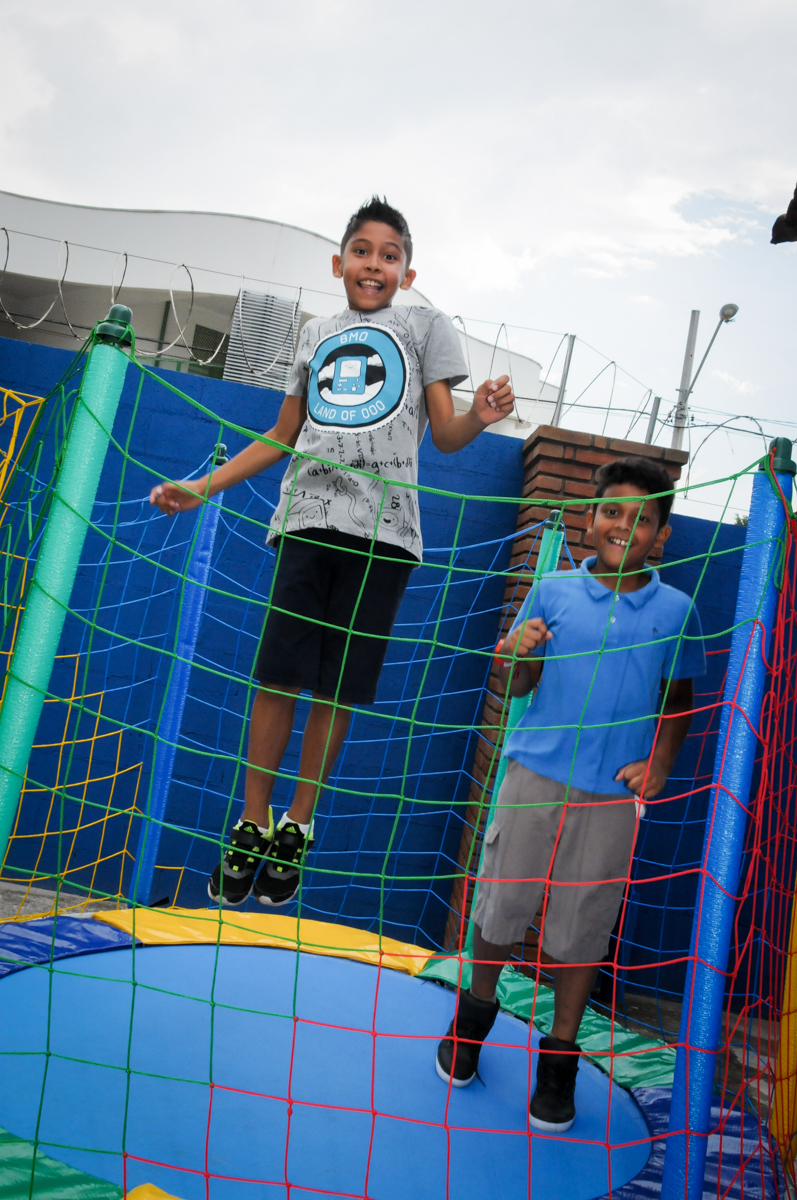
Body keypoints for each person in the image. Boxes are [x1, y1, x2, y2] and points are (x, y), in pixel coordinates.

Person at [150, 196, 515, 909]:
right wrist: (204, 485)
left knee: (338, 687)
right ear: (338, 261)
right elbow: (283, 433)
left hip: (385, 536)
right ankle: (252, 821)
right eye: (362, 250)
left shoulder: (422, 325)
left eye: (389, 255)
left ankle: (298, 823)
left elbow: (444, 434)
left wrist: (481, 414)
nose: (373, 264)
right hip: (307, 520)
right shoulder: (317, 333)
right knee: (278, 676)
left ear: (408, 273)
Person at [435, 455, 705, 1132]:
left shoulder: (676, 609)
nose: (623, 525)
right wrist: (518, 650)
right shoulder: (552, 591)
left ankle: (557, 1058)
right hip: (532, 777)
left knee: (581, 929)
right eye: (612, 511)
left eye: (641, 518)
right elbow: (519, 686)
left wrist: (659, 763)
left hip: (608, 798)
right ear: (589, 520)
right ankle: (473, 1019)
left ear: (660, 534)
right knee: (499, 908)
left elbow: (678, 698)